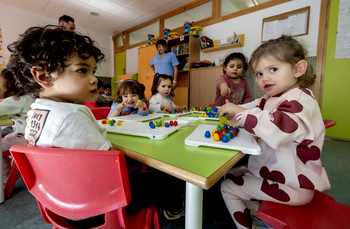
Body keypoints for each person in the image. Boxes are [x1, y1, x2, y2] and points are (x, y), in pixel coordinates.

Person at [6, 25, 184, 227]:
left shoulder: (36, 111)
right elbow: (114, 166)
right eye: (82, 70)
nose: (94, 79)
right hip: (98, 207)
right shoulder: (72, 115)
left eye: (93, 71)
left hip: (58, 202)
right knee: (161, 179)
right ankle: (175, 212)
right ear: (44, 77)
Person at [218, 35, 331, 229]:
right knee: (229, 173)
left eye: (273, 69)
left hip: (294, 185)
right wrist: (237, 110)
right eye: (259, 74)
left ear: (298, 69)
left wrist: (240, 113)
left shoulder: (300, 100)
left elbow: (276, 128)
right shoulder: (273, 96)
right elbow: (254, 106)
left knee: (227, 187)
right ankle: (256, 208)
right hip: (277, 171)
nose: (265, 78)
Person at [0, 69, 35, 182]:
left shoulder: (17, 100)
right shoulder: (28, 97)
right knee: (7, 137)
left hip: (25, 138)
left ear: (8, 84)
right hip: (32, 136)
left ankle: (6, 175)